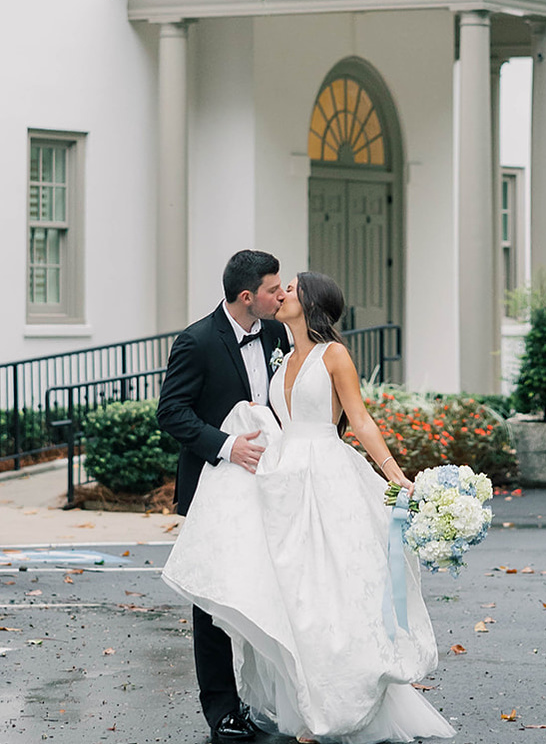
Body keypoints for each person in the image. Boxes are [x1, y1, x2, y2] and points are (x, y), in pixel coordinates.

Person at [162, 271, 455, 744]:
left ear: (311, 302)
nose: (281, 295)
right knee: (293, 595)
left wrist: (392, 471)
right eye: (276, 289)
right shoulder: (284, 351)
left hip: (326, 477)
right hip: (283, 480)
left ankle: (340, 703)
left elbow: (358, 417)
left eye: (290, 289)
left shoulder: (334, 354)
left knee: (331, 591)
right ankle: (303, 700)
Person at [157, 249, 291, 743]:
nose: (282, 296)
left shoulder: (277, 333)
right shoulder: (195, 341)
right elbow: (171, 413)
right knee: (213, 599)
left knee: (271, 588)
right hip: (216, 484)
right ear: (245, 296)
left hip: (272, 487)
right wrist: (228, 446)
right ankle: (222, 710)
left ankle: (274, 696)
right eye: (274, 290)